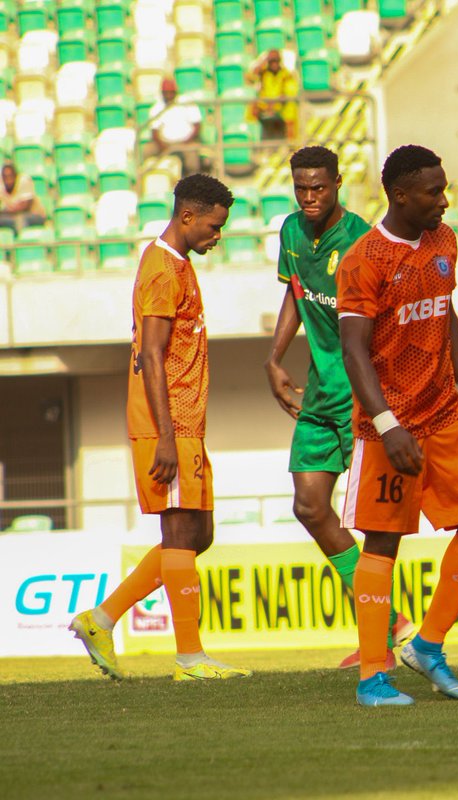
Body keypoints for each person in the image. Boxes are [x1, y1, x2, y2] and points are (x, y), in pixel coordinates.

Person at [336, 145, 458, 707]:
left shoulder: (443, 241)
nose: (444, 199)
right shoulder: (363, 261)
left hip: (442, 414)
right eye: (433, 191)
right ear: (400, 194)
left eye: (444, 187)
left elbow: (444, 311)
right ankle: (370, 677)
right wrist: (387, 426)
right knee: (383, 542)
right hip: (388, 426)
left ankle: (428, 645)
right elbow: (354, 352)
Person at [69, 174, 249, 681]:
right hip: (167, 423)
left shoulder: (179, 264)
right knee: (179, 532)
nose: (218, 235)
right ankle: (190, 658)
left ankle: (100, 620)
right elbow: (150, 353)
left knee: (198, 533)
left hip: (185, 421)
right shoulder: (163, 269)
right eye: (214, 226)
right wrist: (167, 436)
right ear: (187, 216)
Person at [265, 146, 413, 671]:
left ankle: (381, 640)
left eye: (318, 188)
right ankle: (392, 622)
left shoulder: (360, 240)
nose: (309, 197)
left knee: (374, 517)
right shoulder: (289, 232)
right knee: (309, 504)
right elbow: (296, 294)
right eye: (301, 187)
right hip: (319, 391)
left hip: (361, 395)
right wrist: (275, 356)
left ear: (338, 184)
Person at [148, 77, 205, 176]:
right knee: (147, 150)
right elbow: (154, 132)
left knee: (192, 157)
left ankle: (194, 181)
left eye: (171, 92)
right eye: (166, 93)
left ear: (176, 92)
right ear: (162, 93)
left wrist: (187, 142)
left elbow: (197, 125)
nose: (169, 95)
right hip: (165, 142)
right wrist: (163, 146)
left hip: (186, 141)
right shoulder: (157, 107)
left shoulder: (186, 103)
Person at [248, 49, 298, 141]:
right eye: (271, 61)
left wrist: (274, 105)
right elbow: (250, 77)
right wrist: (262, 62)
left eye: (276, 60)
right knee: (251, 108)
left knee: (291, 108)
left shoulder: (286, 74)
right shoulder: (264, 73)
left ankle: (290, 143)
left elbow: (289, 93)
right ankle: (253, 141)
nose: (274, 63)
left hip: (280, 106)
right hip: (265, 105)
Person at [0, 162, 47, 233]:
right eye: (5, 177)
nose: (8, 180)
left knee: (20, 219)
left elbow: (24, 207)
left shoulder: (24, 181)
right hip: (11, 217)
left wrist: (5, 211)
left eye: (10, 176)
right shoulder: (2, 186)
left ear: (15, 176)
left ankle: (22, 242)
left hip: (34, 215)